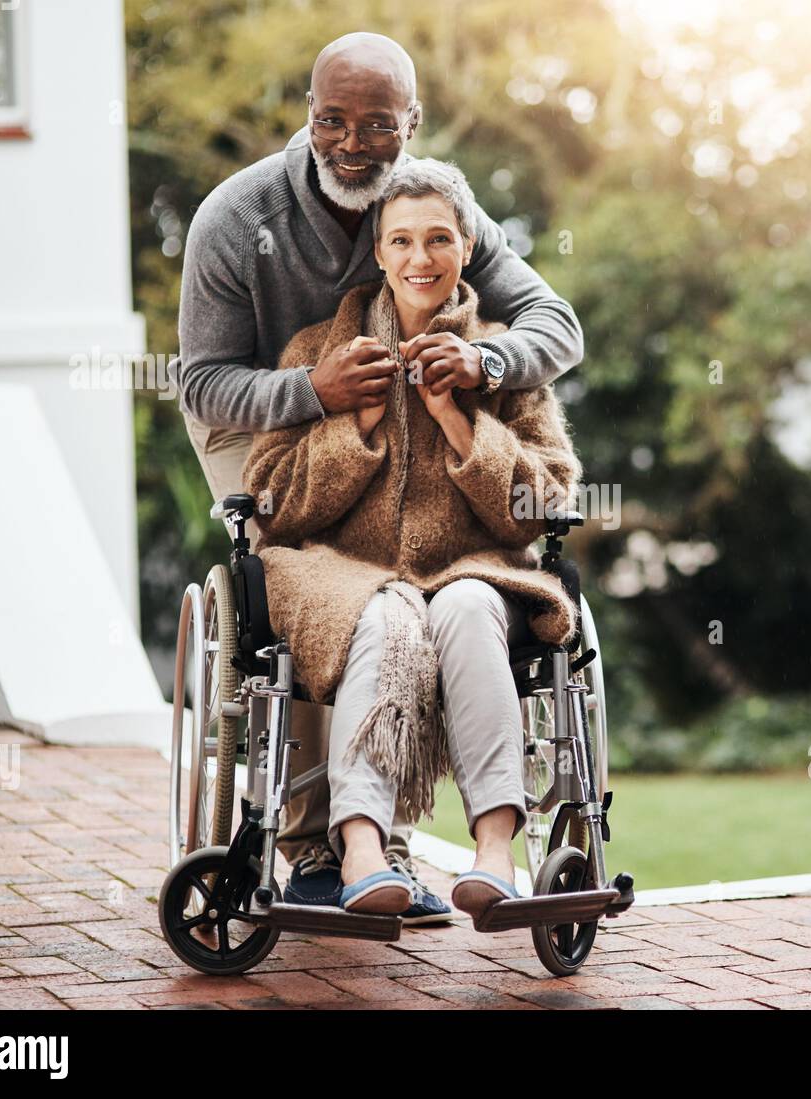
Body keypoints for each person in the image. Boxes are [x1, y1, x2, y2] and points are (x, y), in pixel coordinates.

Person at [170, 32, 584, 921]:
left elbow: (556, 332)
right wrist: (317, 396)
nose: (354, 143)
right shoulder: (235, 221)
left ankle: (468, 847)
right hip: (260, 400)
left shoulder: (430, 209)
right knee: (319, 583)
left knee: (458, 605)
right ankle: (330, 845)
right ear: (308, 117)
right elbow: (203, 382)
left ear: (413, 126)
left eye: (379, 125)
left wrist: (481, 377)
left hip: (447, 509)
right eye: (333, 121)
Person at [242, 158, 580, 917]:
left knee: (461, 606)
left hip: (474, 568)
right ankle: (362, 849)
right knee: (388, 613)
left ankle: (495, 855)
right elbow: (272, 504)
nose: (419, 259)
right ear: (379, 252)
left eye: (437, 240)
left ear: (466, 247)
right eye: (400, 241)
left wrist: (463, 420)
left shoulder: (502, 355)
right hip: (339, 570)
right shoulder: (314, 353)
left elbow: (545, 502)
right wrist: (354, 425)